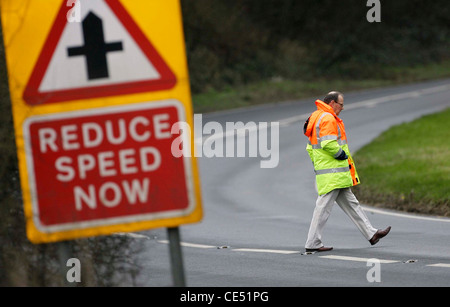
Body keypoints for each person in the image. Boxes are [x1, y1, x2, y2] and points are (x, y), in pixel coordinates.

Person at [303, 91, 391, 252]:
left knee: (352, 204)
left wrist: (318, 163)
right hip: (333, 171)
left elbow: (310, 147)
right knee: (323, 208)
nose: (343, 108)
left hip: (331, 171)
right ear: (332, 103)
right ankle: (312, 243)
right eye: (341, 104)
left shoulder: (316, 116)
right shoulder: (328, 118)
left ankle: (372, 234)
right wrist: (341, 155)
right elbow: (329, 144)